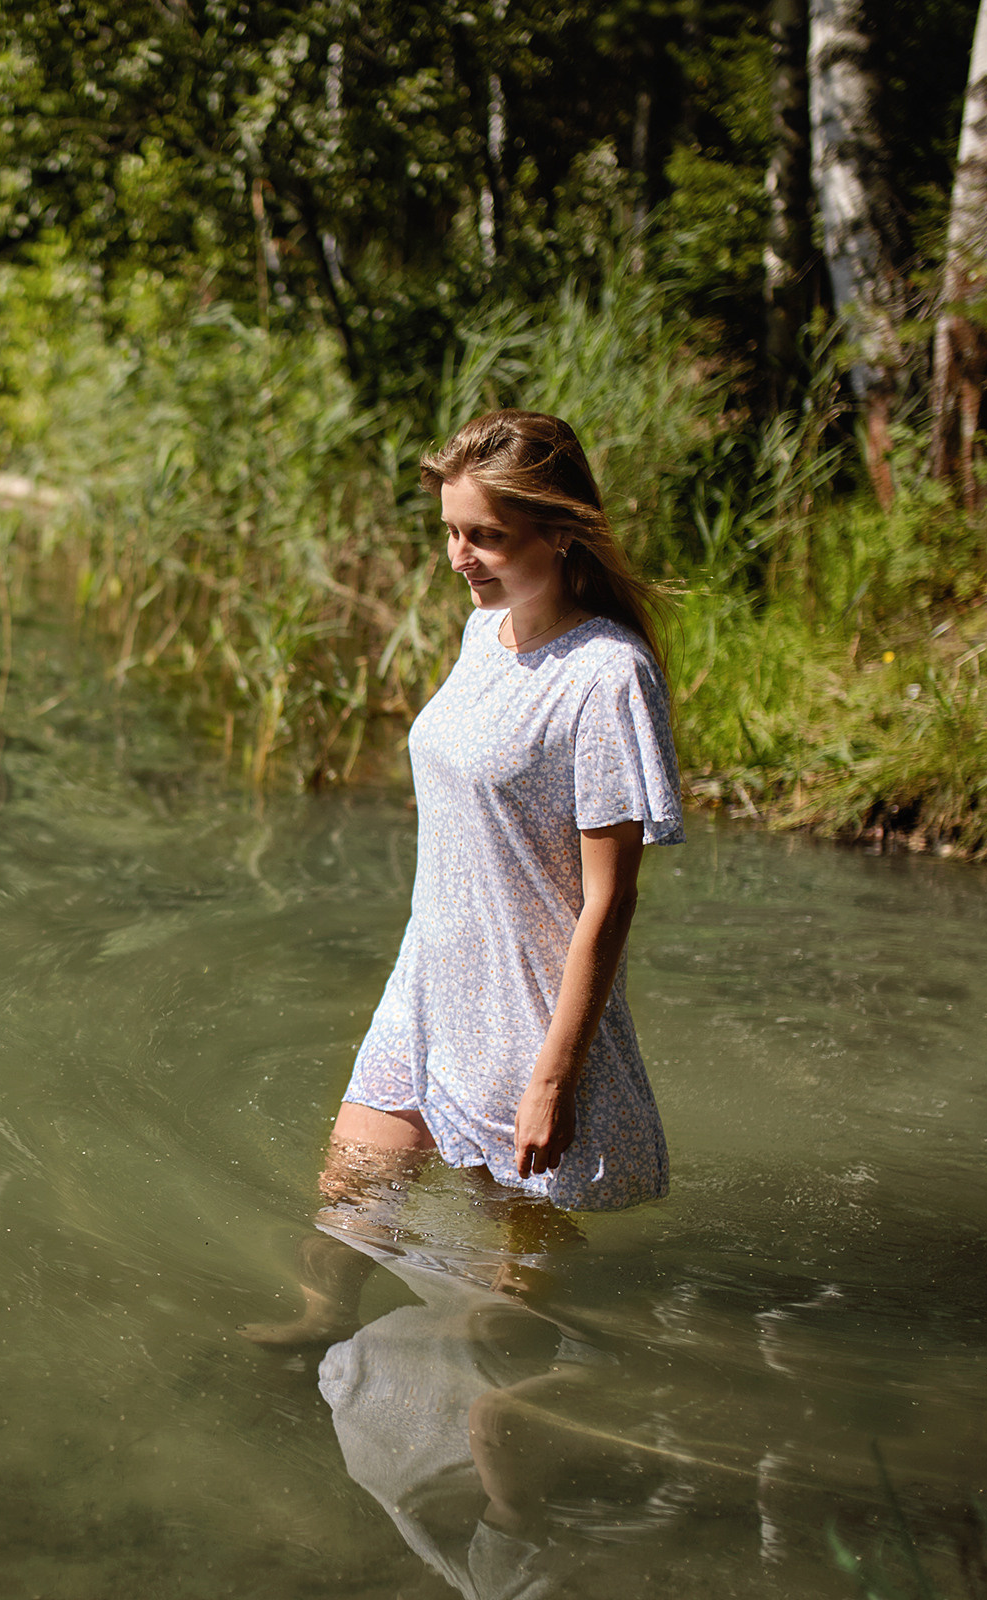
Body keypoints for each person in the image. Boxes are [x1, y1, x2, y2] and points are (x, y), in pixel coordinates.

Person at [245, 407, 683, 1347]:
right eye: (450, 530)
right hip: (430, 976)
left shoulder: (607, 676)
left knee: (511, 1251)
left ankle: (530, 1419)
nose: (460, 557)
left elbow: (610, 898)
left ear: (562, 532)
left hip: (525, 1006)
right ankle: (320, 1323)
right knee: (351, 1184)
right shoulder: (484, 633)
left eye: (487, 535)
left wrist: (553, 1078)